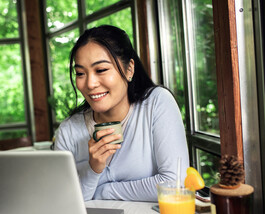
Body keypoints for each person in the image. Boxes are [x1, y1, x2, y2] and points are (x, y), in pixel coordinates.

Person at [54, 25, 189, 202]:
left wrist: (104, 192)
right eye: (80, 73)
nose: (90, 83)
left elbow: (175, 184)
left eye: (101, 70)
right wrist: (93, 169)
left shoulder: (156, 103)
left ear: (129, 69)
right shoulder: (69, 131)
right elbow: (62, 203)